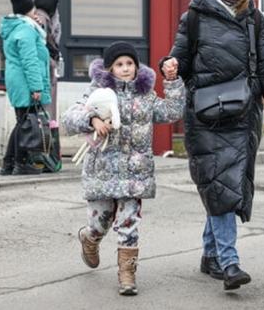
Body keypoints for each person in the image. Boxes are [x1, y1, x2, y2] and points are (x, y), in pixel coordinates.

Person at [160, 0, 264, 291]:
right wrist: (170, 66)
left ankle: (211, 255)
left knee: (224, 187)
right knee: (221, 186)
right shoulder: (194, 17)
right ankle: (229, 262)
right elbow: (179, 60)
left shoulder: (254, 19)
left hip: (243, 116)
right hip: (206, 117)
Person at [61, 41, 185, 296]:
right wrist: (93, 119)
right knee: (101, 222)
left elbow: (172, 111)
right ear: (110, 68)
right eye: (119, 64)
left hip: (134, 174)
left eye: (130, 63)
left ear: (136, 67)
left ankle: (127, 274)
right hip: (102, 172)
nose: (126, 68)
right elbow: (69, 117)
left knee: (129, 223)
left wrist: (172, 81)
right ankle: (90, 238)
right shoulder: (98, 92)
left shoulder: (146, 96)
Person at [0, 0, 52, 176]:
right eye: (33, 10)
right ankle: (19, 163)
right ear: (28, 10)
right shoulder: (25, 30)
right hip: (25, 82)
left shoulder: (19, 27)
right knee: (25, 123)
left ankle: (9, 164)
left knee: (22, 122)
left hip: (18, 80)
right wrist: (36, 87)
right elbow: (30, 60)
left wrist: (37, 26)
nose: (35, 13)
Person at [33, 0, 62, 119]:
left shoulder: (41, 17)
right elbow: (40, 47)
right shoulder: (40, 19)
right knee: (45, 113)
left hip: (46, 71)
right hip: (44, 73)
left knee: (46, 112)